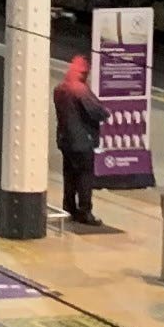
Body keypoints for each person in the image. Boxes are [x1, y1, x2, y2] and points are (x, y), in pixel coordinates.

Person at [53, 51, 105, 228]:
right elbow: (97, 112)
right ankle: (85, 212)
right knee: (84, 176)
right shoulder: (80, 89)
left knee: (69, 175)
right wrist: (105, 112)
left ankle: (68, 207)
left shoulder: (60, 88)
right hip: (82, 141)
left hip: (65, 140)